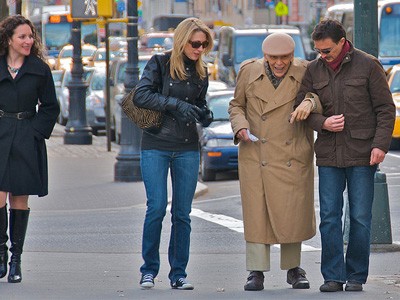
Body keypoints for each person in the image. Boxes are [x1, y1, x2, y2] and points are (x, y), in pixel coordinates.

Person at [294, 19, 395, 292]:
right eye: (318, 51)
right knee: (329, 216)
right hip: (328, 154)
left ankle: (356, 276)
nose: (322, 56)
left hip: (363, 153)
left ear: (342, 42)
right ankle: (333, 276)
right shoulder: (314, 69)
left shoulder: (368, 65)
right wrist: (322, 123)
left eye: (327, 50)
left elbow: (386, 109)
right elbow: (300, 108)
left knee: (361, 217)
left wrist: (380, 145)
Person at [228, 33, 317, 291]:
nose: (279, 63)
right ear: (265, 55)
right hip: (257, 153)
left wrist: (310, 102)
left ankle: (293, 269)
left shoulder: (306, 70)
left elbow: (322, 97)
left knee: (292, 212)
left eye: (285, 57)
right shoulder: (248, 71)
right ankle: (256, 271)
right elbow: (236, 105)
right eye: (274, 58)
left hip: (293, 153)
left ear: (293, 55)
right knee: (257, 213)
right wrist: (240, 126)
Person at [133, 18, 214, 290]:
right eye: (195, 43)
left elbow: (199, 103)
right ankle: (148, 270)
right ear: (182, 41)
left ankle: (178, 273)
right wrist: (175, 105)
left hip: (187, 147)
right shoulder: (159, 63)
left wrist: (205, 113)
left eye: (204, 44)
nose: (200, 49)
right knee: (156, 207)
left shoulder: (202, 72)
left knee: (182, 213)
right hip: (156, 143)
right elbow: (141, 96)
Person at [0, 15, 60, 283]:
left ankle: (16, 260)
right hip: (0, 135)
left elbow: (50, 107)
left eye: (30, 36)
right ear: (9, 39)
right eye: (22, 36)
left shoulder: (39, 69)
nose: (28, 41)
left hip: (26, 136)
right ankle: (0, 254)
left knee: (19, 200)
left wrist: (35, 132)